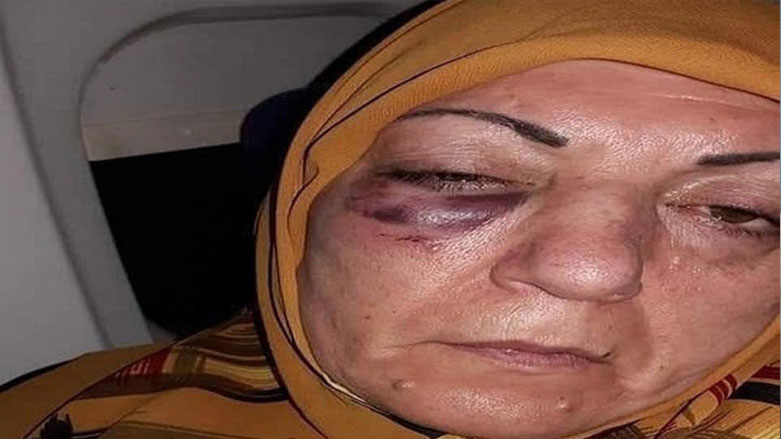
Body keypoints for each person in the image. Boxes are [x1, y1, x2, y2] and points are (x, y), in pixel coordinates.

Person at [1, 1, 778, 439]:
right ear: (303, 202)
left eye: (735, 212)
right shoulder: (63, 404)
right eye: (461, 174)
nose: (589, 267)